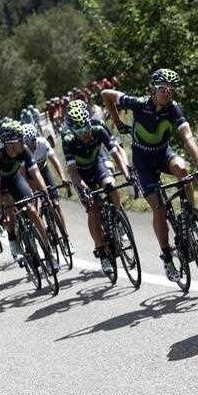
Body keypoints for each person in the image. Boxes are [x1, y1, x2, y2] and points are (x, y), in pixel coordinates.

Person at [101, 68, 198, 282]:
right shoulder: (138, 103)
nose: (168, 93)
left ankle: (191, 217)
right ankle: (167, 257)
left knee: (183, 170)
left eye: (171, 90)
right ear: (153, 89)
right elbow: (106, 95)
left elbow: (187, 137)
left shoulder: (174, 109)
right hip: (143, 164)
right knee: (159, 208)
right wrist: (118, 122)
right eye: (163, 89)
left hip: (163, 154)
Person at [61, 104, 129, 276]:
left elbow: (115, 154)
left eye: (86, 127)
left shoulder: (98, 128)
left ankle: (119, 219)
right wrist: (82, 188)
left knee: (111, 185)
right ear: (72, 130)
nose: (84, 132)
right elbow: (73, 172)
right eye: (79, 130)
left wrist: (127, 173)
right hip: (81, 174)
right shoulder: (68, 139)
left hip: (97, 163)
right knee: (93, 208)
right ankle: (102, 253)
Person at [0, 121, 54, 269]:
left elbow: (36, 174)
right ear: (10, 143)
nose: (23, 142)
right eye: (20, 139)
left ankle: (48, 251)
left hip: (13, 178)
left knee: (32, 210)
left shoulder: (22, 150)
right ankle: (12, 238)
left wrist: (45, 195)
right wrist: (0, 212)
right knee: (9, 207)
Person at [20, 123, 71, 251]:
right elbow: (23, 176)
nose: (29, 145)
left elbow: (55, 161)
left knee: (56, 203)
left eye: (30, 141)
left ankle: (66, 238)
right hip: (29, 176)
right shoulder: (22, 151)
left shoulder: (43, 143)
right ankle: (42, 237)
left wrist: (63, 177)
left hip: (43, 171)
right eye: (25, 142)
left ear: (35, 138)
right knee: (34, 207)